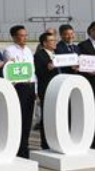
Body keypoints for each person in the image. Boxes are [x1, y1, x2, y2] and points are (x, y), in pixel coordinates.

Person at [3, 25, 36, 159]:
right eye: (21, 35)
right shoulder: (9, 51)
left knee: (28, 118)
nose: (24, 38)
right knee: (19, 117)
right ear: (14, 37)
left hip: (30, 85)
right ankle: (17, 147)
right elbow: (12, 69)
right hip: (19, 86)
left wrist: (36, 88)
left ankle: (25, 145)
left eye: (25, 35)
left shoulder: (28, 50)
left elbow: (32, 70)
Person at [33, 31, 59, 150]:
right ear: (44, 43)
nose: (55, 42)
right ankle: (45, 144)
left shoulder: (57, 53)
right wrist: (48, 68)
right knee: (47, 116)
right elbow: (39, 73)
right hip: (47, 89)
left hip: (58, 88)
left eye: (55, 40)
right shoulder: (39, 55)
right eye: (52, 41)